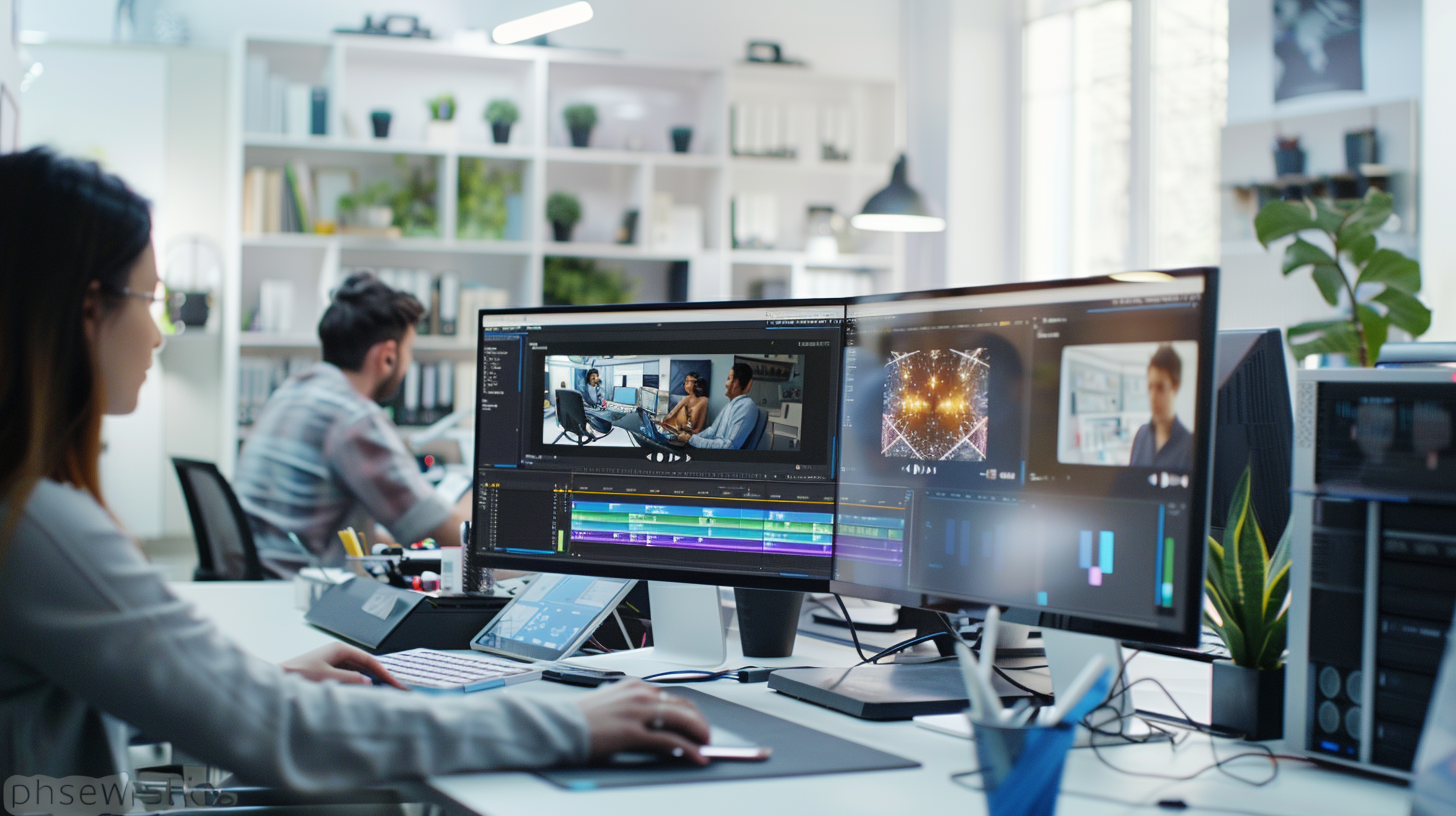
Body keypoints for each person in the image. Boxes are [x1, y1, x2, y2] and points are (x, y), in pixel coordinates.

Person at [0, 148, 708, 784]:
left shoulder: (32, 512)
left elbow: (104, 698)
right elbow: (274, 731)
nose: (157, 333)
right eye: (148, 300)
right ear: (87, 309)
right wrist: (567, 724)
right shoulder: (38, 525)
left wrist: (254, 683)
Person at [232, 273, 465, 574]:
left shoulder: (290, 393)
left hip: (260, 584)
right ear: (388, 357)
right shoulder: (353, 418)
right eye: (409, 351)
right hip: (297, 593)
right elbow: (439, 531)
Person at [1128, 344, 1194, 470]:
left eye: (1160, 387)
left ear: (1175, 386)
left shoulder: (1190, 447)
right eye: (1150, 387)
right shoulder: (1141, 436)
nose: (1152, 397)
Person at [673, 363, 759, 450]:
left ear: (736, 383)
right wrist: (691, 438)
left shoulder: (746, 406)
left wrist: (692, 439)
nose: (726, 384)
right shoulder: (730, 405)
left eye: (729, 379)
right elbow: (712, 430)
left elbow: (730, 446)